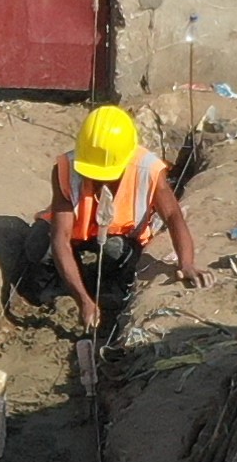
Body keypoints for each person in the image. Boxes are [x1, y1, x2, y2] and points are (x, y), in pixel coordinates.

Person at [30, 103, 197, 336]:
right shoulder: (66, 169)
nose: (99, 180)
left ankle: (113, 290)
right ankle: (60, 286)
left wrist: (186, 263)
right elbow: (61, 238)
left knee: (115, 249)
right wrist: (82, 300)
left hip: (121, 236)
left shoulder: (147, 169)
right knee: (38, 245)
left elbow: (172, 215)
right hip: (78, 232)